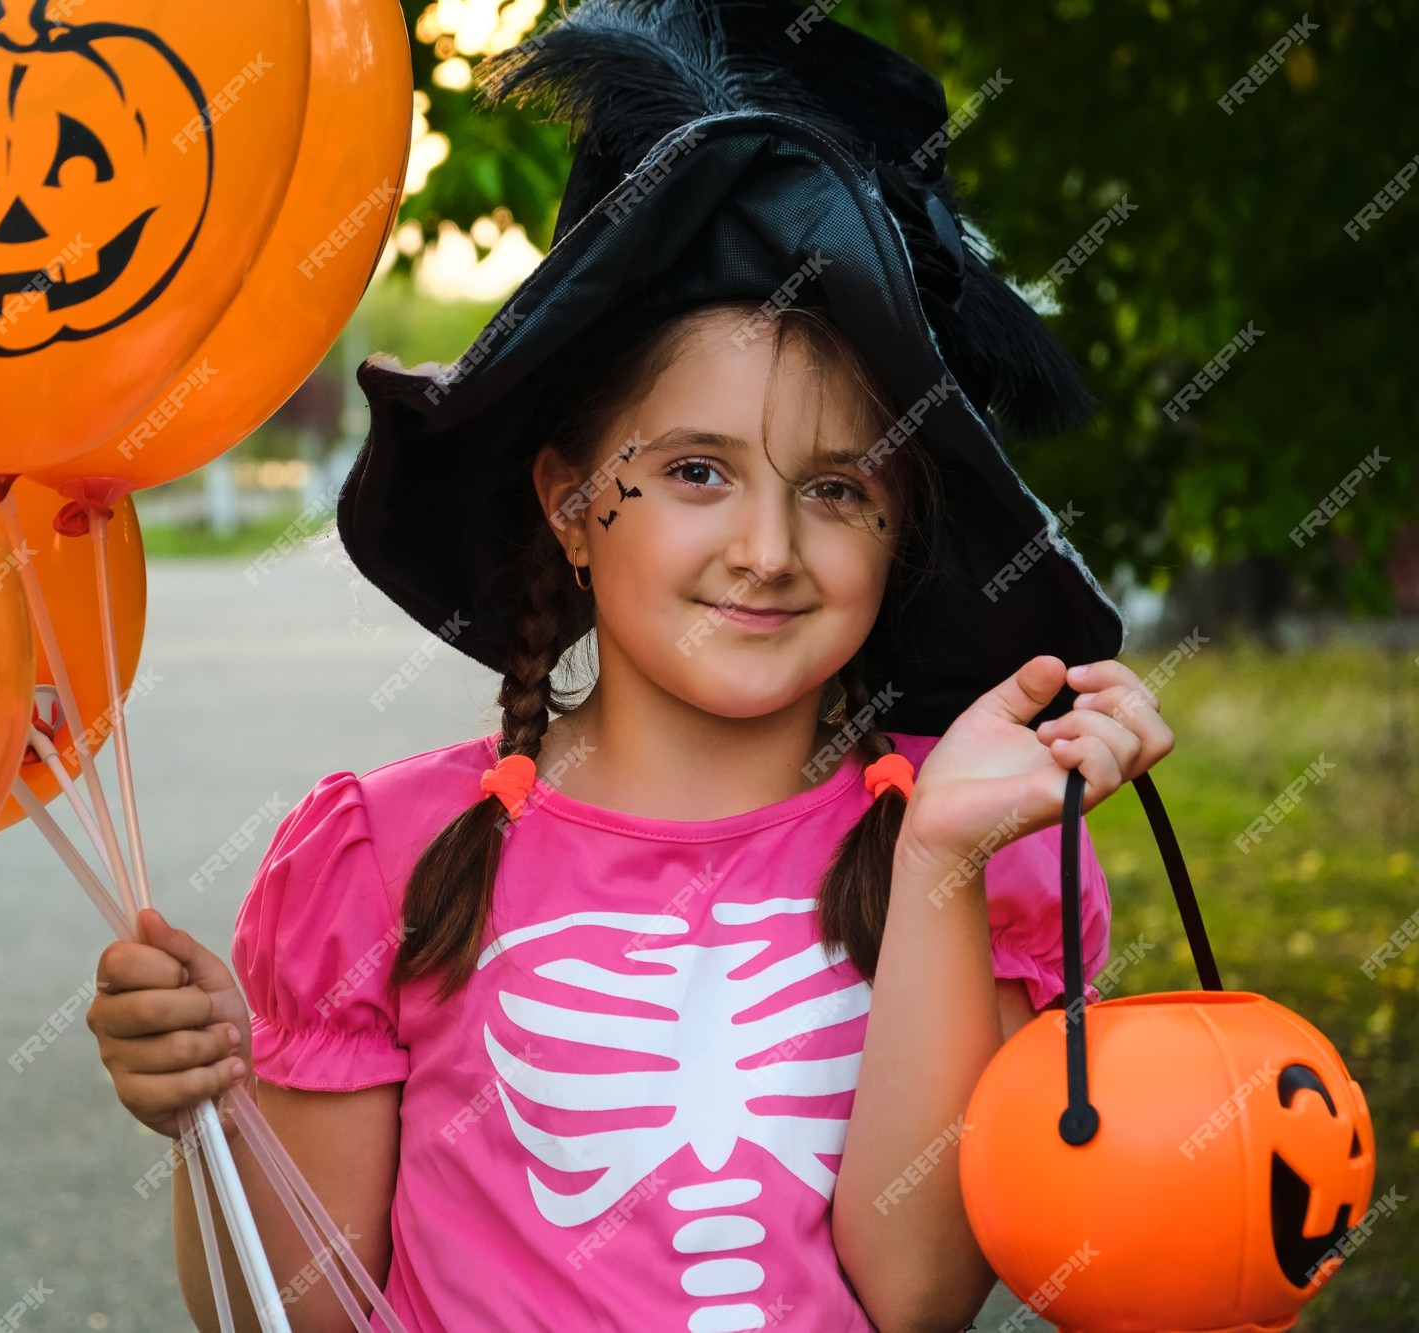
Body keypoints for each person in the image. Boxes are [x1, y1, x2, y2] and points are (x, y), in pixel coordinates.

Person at [89, 2, 1173, 1329]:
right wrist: (215, 1117)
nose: (766, 549)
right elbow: (287, 1316)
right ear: (569, 499)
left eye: (836, 487)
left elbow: (919, 1293)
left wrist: (944, 855)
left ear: (905, 530)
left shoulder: (965, 843)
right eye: (695, 472)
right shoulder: (385, 860)